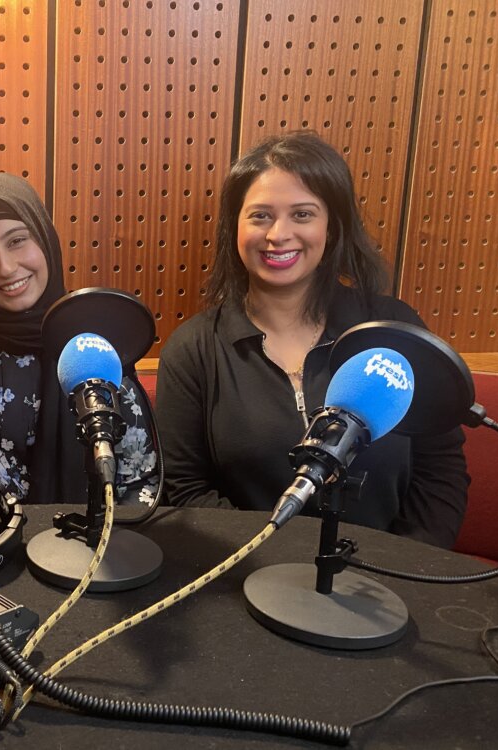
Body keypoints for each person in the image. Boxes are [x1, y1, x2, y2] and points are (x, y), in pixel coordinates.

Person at [155, 131, 468, 548]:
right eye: (260, 215)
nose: (278, 234)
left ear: (332, 226)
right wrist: (277, 569)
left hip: (385, 584)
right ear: (235, 227)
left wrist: (403, 568)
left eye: (302, 214)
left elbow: (440, 471)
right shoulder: (194, 349)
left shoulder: (393, 330)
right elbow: (187, 489)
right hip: (246, 578)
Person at [0, 172, 158, 509]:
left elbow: (138, 488)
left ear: (45, 240)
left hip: (92, 550)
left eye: (16, 240)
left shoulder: (96, 346)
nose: (6, 267)